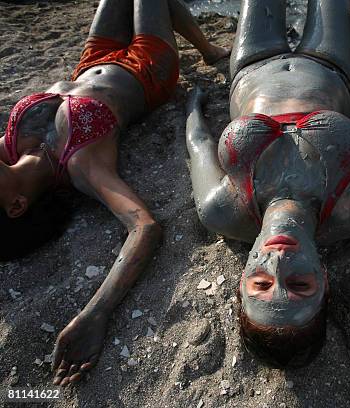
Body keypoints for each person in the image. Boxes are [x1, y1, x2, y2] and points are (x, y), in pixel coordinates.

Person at [0, 0, 229, 386]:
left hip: (91, 60)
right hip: (148, 69)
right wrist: (95, 313)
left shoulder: (8, 149)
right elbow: (144, 228)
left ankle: (207, 49)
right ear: (17, 205)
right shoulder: (81, 164)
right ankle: (208, 50)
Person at [186, 0, 350, 367]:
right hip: (332, 66)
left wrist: (193, 106)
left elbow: (200, 145)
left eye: (261, 285)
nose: (279, 264)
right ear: (325, 280)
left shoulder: (221, 210)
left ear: (241, 282)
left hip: (250, 65)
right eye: (300, 285)